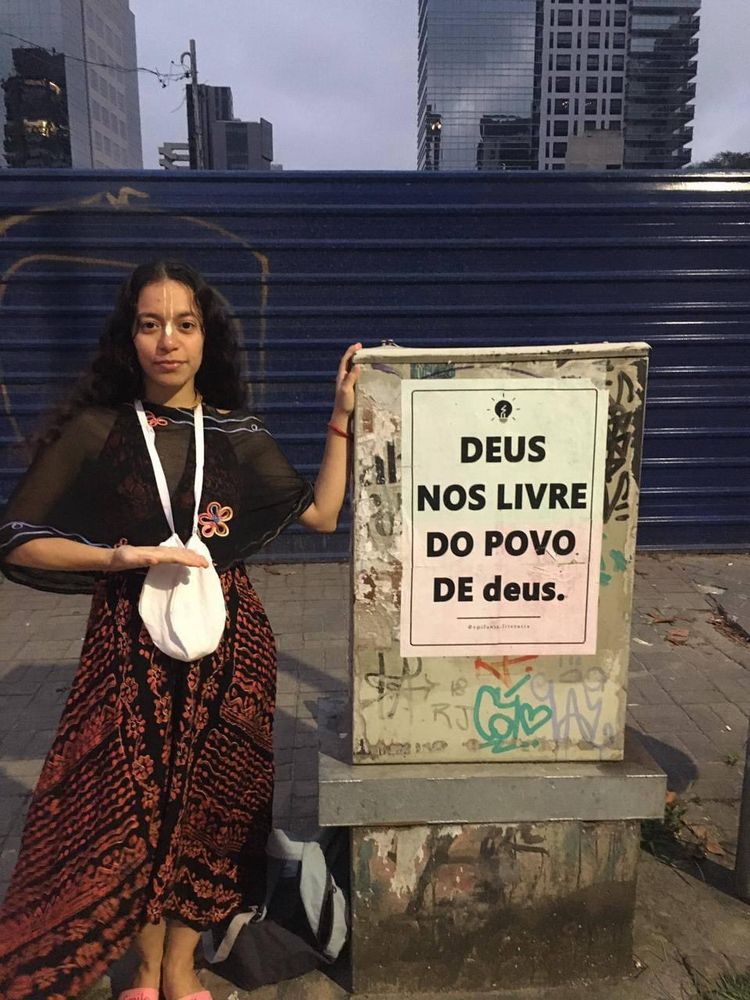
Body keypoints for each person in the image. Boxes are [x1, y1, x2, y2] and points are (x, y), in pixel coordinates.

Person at [0, 260, 360, 1000]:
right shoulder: (99, 430)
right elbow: (17, 538)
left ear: (206, 338)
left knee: (213, 812)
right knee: (128, 812)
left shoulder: (236, 432)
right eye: (150, 324)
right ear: (129, 337)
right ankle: (141, 966)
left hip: (231, 647)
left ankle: (180, 965)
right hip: (126, 646)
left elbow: (322, 514)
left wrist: (340, 415)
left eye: (185, 324)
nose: (168, 340)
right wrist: (116, 556)